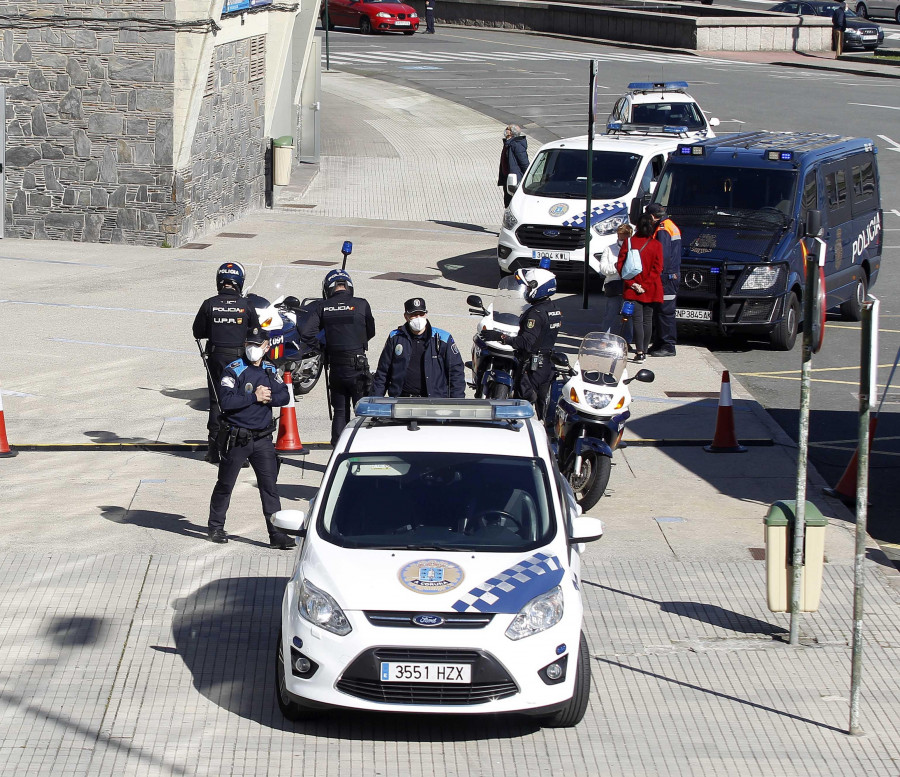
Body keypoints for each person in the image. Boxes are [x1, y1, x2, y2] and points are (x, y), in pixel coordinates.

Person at [207, 330, 294, 549]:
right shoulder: (234, 369)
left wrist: (269, 397)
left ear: (267, 346)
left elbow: (284, 396)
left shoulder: (269, 369)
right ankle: (216, 527)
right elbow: (225, 401)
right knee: (225, 484)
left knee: (270, 488)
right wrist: (254, 397)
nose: (252, 348)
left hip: (263, 439)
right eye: (249, 343)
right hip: (238, 438)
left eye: (257, 344)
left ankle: (277, 535)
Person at [192, 261, 262, 464]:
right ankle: (241, 451)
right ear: (240, 282)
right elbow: (256, 332)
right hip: (240, 360)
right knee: (242, 400)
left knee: (216, 402)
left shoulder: (209, 303)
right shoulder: (247, 305)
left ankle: (214, 450)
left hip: (216, 358)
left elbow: (198, 331)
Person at [300, 269, 376, 445]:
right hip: (358, 366)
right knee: (363, 413)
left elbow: (306, 333)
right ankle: (362, 447)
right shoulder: (362, 304)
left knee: (340, 412)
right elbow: (370, 331)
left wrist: (325, 346)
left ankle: (338, 450)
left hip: (336, 367)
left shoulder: (322, 307)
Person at [480, 268, 562, 420]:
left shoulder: (535, 314)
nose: (527, 290)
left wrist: (501, 336)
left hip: (531, 368)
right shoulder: (554, 310)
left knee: (520, 407)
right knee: (544, 410)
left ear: (539, 287)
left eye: (530, 287)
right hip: (547, 365)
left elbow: (526, 342)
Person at [372, 297, 466, 398]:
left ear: (426, 314)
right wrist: (375, 400)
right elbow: (383, 372)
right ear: (406, 316)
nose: (418, 318)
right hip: (401, 400)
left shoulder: (443, 338)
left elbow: (456, 373)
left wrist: (457, 402)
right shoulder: (395, 338)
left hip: (434, 402)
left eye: (421, 314)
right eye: (413, 315)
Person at [617, 213, 663, 364]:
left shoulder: (629, 242)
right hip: (651, 287)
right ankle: (644, 350)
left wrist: (633, 284)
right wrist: (645, 285)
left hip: (632, 286)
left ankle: (639, 351)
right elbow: (658, 268)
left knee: (636, 320)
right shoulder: (656, 245)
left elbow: (621, 266)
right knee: (647, 320)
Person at [646, 202, 682, 357]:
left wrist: (655, 274)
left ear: (652, 216)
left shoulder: (663, 228)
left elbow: (663, 254)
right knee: (660, 311)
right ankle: (660, 343)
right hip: (669, 275)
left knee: (665, 312)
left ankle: (668, 345)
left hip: (666, 276)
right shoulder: (668, 225)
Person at [598, 222, 634, 343]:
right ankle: (605, 339)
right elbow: (603, 269)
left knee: (629, 316)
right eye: (620, 235)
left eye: (625, 236)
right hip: (614, 285)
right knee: (610, 315)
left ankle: (627, 341)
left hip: (629, 286)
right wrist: (618, 266)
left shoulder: (634, 250)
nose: (622, 238)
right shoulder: (609, 249)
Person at [498, 125, 529, 208]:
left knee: (514, 204)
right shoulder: (508, 143)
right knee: (508, 203)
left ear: (511, 133)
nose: (505, 129)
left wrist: (528, 178)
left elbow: (524, 163)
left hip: (515, 180)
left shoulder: (517, 145)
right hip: (507, 179)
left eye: (507, 128)